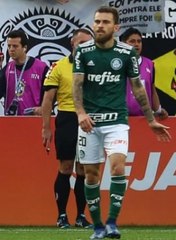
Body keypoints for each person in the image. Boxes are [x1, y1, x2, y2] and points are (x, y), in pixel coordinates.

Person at [72, 6, 171, 239]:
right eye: (97, 21)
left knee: (117, 167)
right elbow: (76, 85)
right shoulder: (83, 51)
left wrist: (151, 120)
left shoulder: (126, 53)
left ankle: (112, 223)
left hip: (116, 120)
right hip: (89, 123)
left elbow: (138, 88)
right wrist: (80, 113)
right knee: (91, 175)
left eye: (105, 22)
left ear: (116, 27)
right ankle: (97, 227)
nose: (99, 26)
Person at [41, 28, 93, 229]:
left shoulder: (95, 66)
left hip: (89, 120)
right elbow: (47, 100)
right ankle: (61, 215)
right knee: (65, 167)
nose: (85, 47)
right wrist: (46, 128)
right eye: (81, 43)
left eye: (89, 43)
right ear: (72, 44)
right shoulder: (59, 66)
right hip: (67, 118)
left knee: (83, 170)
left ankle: (81, 216)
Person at [119, 27, 168, 119]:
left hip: (143, 119)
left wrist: (158, 110)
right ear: (123, 44)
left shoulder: (149, 64)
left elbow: (152, 91)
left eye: (139, 41)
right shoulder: (117, 64)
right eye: (132, 41)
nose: (136, 44)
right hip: (121, 119)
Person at [0, 29, 48, 116]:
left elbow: (51, 93)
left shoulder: (41, 68)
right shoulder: (7, 68)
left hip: (35, 120)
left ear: (25, 47)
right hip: (11, 121)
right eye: (9, 46)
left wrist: (43, 108)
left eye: (15, 46)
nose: (11, 49)